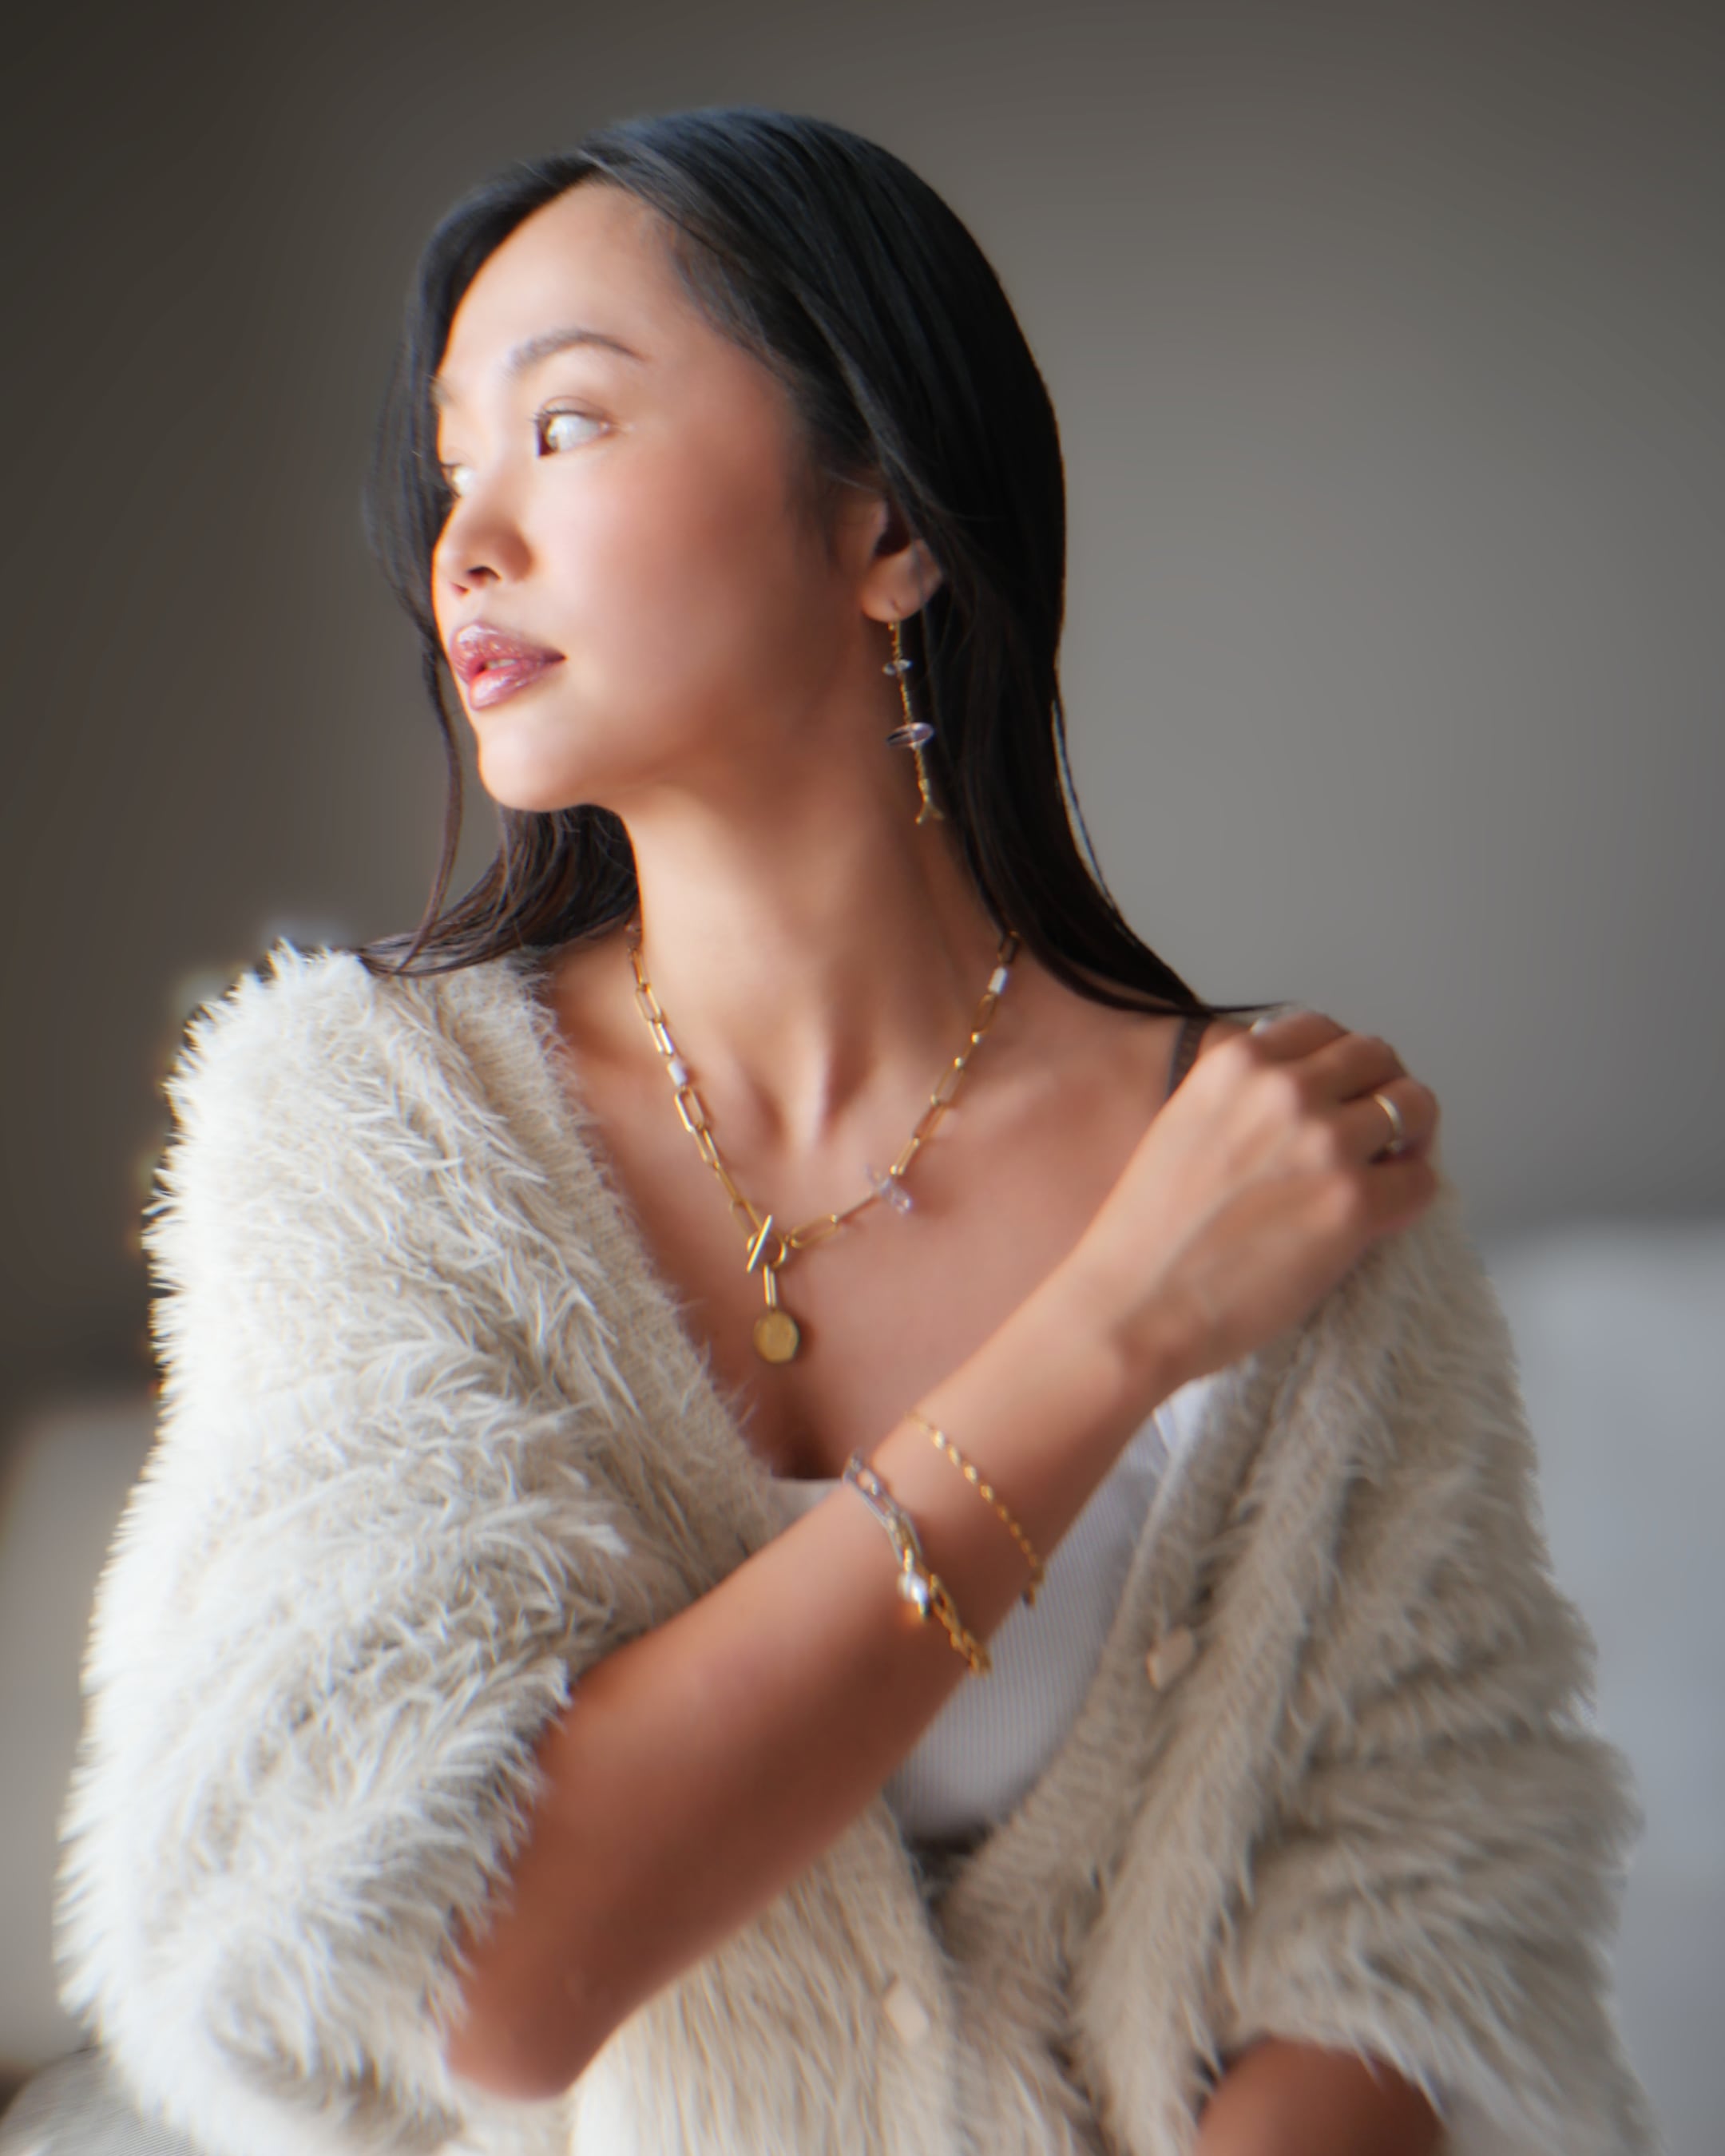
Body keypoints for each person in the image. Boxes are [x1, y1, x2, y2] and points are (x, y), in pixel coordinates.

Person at [54, 107, 1651, 2156]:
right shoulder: (364, 1136)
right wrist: (1116, 1334)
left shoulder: (1278, 1162)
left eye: (563, 426)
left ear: (886, 525)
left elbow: (1423, 1923)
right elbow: (475, 1979)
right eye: (450, 470)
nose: (466, 542)